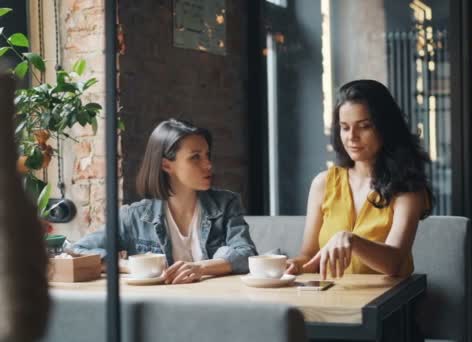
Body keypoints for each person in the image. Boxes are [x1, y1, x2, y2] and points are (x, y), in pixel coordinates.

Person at [72, 119, 257, 284]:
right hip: (159, 308)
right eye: (195, 157)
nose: (208, 165)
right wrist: (130, 266)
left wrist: (200, 268)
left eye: (207, 155)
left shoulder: (225, 205)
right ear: (166, 165)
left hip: (215, 304)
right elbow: (79, 250)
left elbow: (246, 254)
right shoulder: (134, 217)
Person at [286, 79, 432, 279]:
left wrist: (352, 241)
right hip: (333, 298)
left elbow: (394, 263)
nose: (352, 137)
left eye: (364, 126)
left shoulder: (407, 188)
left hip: (386, 304)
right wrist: (293, 265)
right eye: (345, 127)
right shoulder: (323, 183)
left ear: (385, 127)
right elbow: (309, 257)